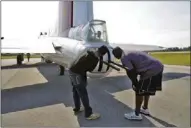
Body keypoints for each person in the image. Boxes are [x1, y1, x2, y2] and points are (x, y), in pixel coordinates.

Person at [112, 47, 164, 121]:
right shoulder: (128, 52)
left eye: (115, 55)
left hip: (151, 70)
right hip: (158, 66)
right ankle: (145, 109)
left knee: (139, 91)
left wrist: (135, 83)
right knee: (146, 89)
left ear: (116, 55)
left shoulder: (124, 58)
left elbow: (131, 71)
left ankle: (136, 114)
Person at [69, 45, 108, 120]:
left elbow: (79, 60)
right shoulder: (95, 60)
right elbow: (90, 69)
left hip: (72, 71)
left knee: (75, 89)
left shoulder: (88, 52)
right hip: (77, 74)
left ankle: (77, 108)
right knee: (83, 93)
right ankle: (88, 114)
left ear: (97, 49)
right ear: (102, 54)